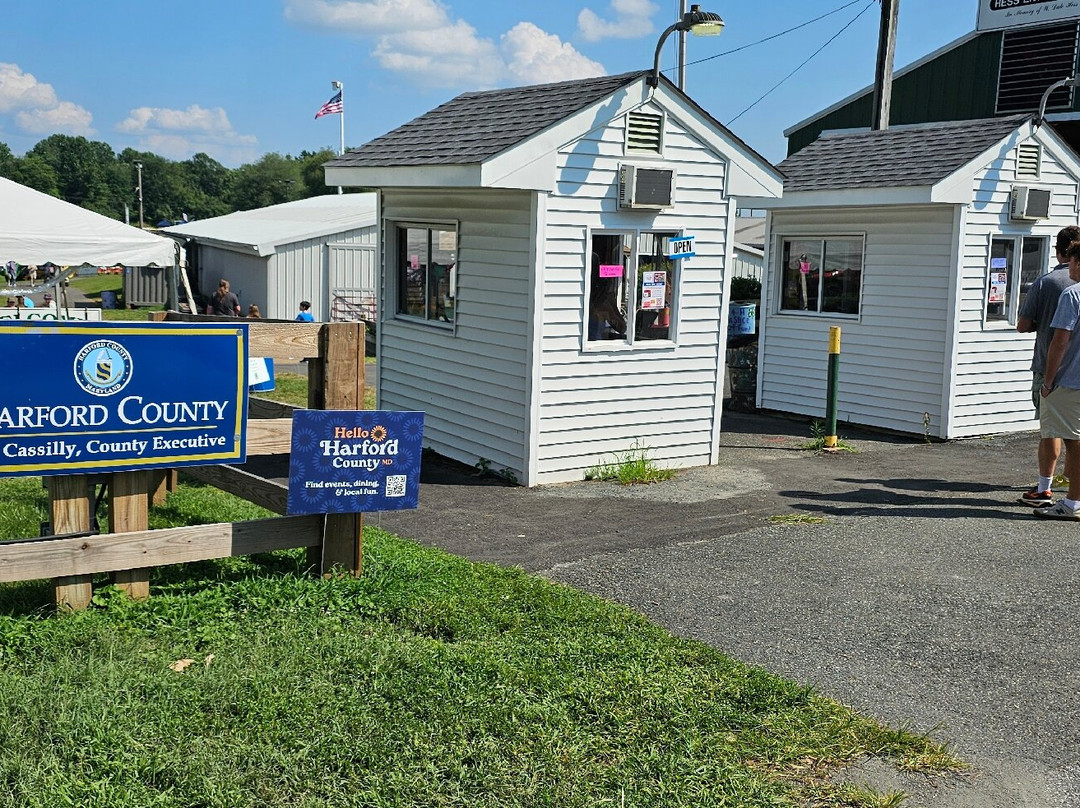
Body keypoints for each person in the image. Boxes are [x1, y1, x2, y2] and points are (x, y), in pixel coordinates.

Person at [1017, 225, 1080, 506]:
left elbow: (1025, 325)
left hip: (1053, 369)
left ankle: (1045, 487)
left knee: (1051, 429)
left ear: (1059, 251)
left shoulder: (1048, 283)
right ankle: (1070, 482)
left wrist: (1048, 381)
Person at [1035, 239, 1080, 520]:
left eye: (1074, 262)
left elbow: (1059, 341)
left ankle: (1073, 503)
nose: (1070, 267)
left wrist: (1048, 381)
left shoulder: (1072, 295)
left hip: (1070, 381)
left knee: (1074, 442)